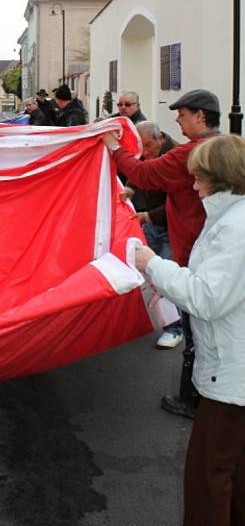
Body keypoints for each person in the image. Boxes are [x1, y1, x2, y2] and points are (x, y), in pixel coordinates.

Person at [134, 135, 245, 526]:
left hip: (232, 375)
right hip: (232, 368)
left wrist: (152, 265)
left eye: (198, 178)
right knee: (231, 472)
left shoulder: (235, 229)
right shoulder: (230, 220)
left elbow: (207, 296)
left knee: (207, 478)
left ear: (221, 178)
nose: (194, 186)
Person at [102, 88, 221, 418]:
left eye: (183, 115)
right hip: (201, 243)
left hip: (192, 247)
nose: (178, 121)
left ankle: (192, 399)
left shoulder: (190, 153)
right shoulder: (217, 146)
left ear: (200, 115)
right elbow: (173, 194)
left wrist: (113, 147)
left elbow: (145, 174)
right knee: (203, 327)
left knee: (196, 328)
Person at [122, 121, 182, 349]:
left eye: (148, 146)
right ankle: (157, 319)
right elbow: (139, 170)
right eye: (141, 147)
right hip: (153, 226)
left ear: (161, 139)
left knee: (167, 278)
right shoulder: (148, 152)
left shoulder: (175, 158)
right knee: (146, 274)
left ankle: (174, 328)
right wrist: (130, 187)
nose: (145, 153)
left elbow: (176, 206)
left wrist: (147, 216)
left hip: (172, 229)